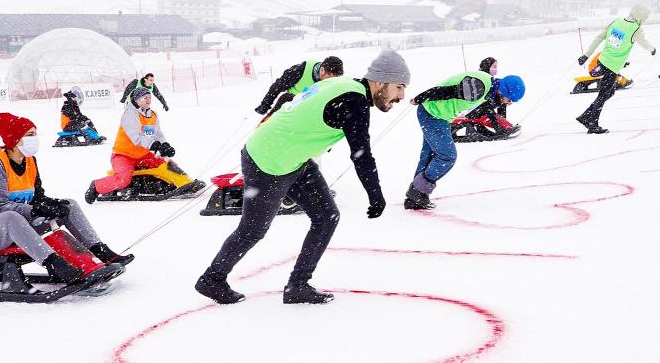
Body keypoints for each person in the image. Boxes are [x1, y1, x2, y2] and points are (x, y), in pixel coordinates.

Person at [195, 50, 410, 305]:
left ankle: (297, 285)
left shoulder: (343, 84)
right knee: (253, 230)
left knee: (326, 216)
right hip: (268, 160)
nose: (401, 96)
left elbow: (298, 104)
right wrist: (376, 196)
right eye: (398, 87)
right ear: (381, 81)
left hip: (292, 158)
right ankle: (212, 279)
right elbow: (361, 155)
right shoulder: (354, 101)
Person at [0, 113, 133, 285]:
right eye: (29, 135)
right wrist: (36, 210)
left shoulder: (29, 161)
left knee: (69, 204)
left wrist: (52, 205)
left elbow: (37, 197)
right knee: (10, 217)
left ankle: (100, 251)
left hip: (18, 226)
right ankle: (56, 264)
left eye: (35, 134)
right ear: (14, 140)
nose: (35, 139)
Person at [407, 72, 525, 210]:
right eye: (509, 99)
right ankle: (417, 191)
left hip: (439, 115)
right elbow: (446, 91)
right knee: (447, 156)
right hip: (432, 113)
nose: (509, 103)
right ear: (503, 91)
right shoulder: (479, 87)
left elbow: (477, 110)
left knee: (430, 154)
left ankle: (415, 197)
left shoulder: (489, 88)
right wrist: (420, 97)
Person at [576, 4, 656, 134]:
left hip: (602, 62)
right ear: (640, 15)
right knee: (603, 95)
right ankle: (591, 123)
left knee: (609, 92)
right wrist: (653, 49)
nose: (645, 19)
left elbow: (599, 38)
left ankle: (586, 116)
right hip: (611, 67)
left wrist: (586, 55)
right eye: (645, 16)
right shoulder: (636, 29)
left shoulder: (616, 22)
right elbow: (644, 42)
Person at [86, 87, 176, 202]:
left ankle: (179, 183)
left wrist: (165, 145)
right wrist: (155, 145)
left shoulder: (153, 115)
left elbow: (158, 134)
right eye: (145, 98)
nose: (148, 100)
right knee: (123, 179)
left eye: (149, 97)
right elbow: (136, 137)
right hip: (123, 155)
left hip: (142, 155)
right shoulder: (129, 115)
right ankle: (96, 186)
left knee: (166, 164)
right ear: (137, 100)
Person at [253, 56, 344, 118]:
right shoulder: (300, 70)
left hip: (309, 107)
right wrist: (265, 105)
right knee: (286, 99)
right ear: (322, 70)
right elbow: (277, 86)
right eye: (331, 76)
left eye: (336, 77)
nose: (332, 80)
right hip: (290, 102)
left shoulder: (333, 81)